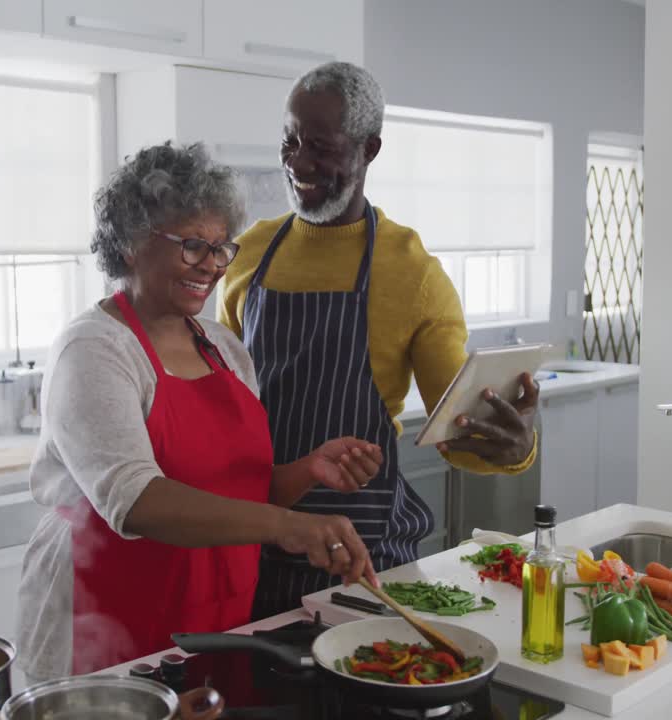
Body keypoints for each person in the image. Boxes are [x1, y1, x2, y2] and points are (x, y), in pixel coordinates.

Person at [15, 141, 383, 682]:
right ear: (133, 243)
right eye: (192, 245)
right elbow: (136, 500)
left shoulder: (225, 347)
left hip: (215, 618)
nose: (211, 266)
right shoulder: (94, 349)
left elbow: (238, 496)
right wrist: (289, 527)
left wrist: (306, 473)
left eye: (220, 248)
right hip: (106, 621)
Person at [218, 62, 541, 619]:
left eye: (320, 146)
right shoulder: (248, 252)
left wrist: (516, 450)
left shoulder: (411, 272)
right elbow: (221, 400)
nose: (298, 163)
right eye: (290, 142)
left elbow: (459, 428)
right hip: (250, 540)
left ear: (369, 150)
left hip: (361, 562)